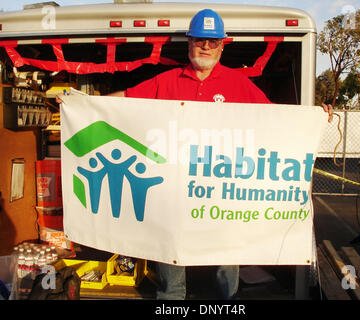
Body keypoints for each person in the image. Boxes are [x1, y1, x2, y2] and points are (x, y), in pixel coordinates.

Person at [58, 9, 333, 300]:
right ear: (189, 43)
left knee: (226, 268)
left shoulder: (238, 84)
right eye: (200, 40)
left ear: (222, 45)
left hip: (220, 194)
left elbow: (276, 118)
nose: (205, 46)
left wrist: (315, 115)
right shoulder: (167, 81)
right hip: (172, 196)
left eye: (213, 42)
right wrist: (82, 106)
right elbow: (124, 100)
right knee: (170, 271)